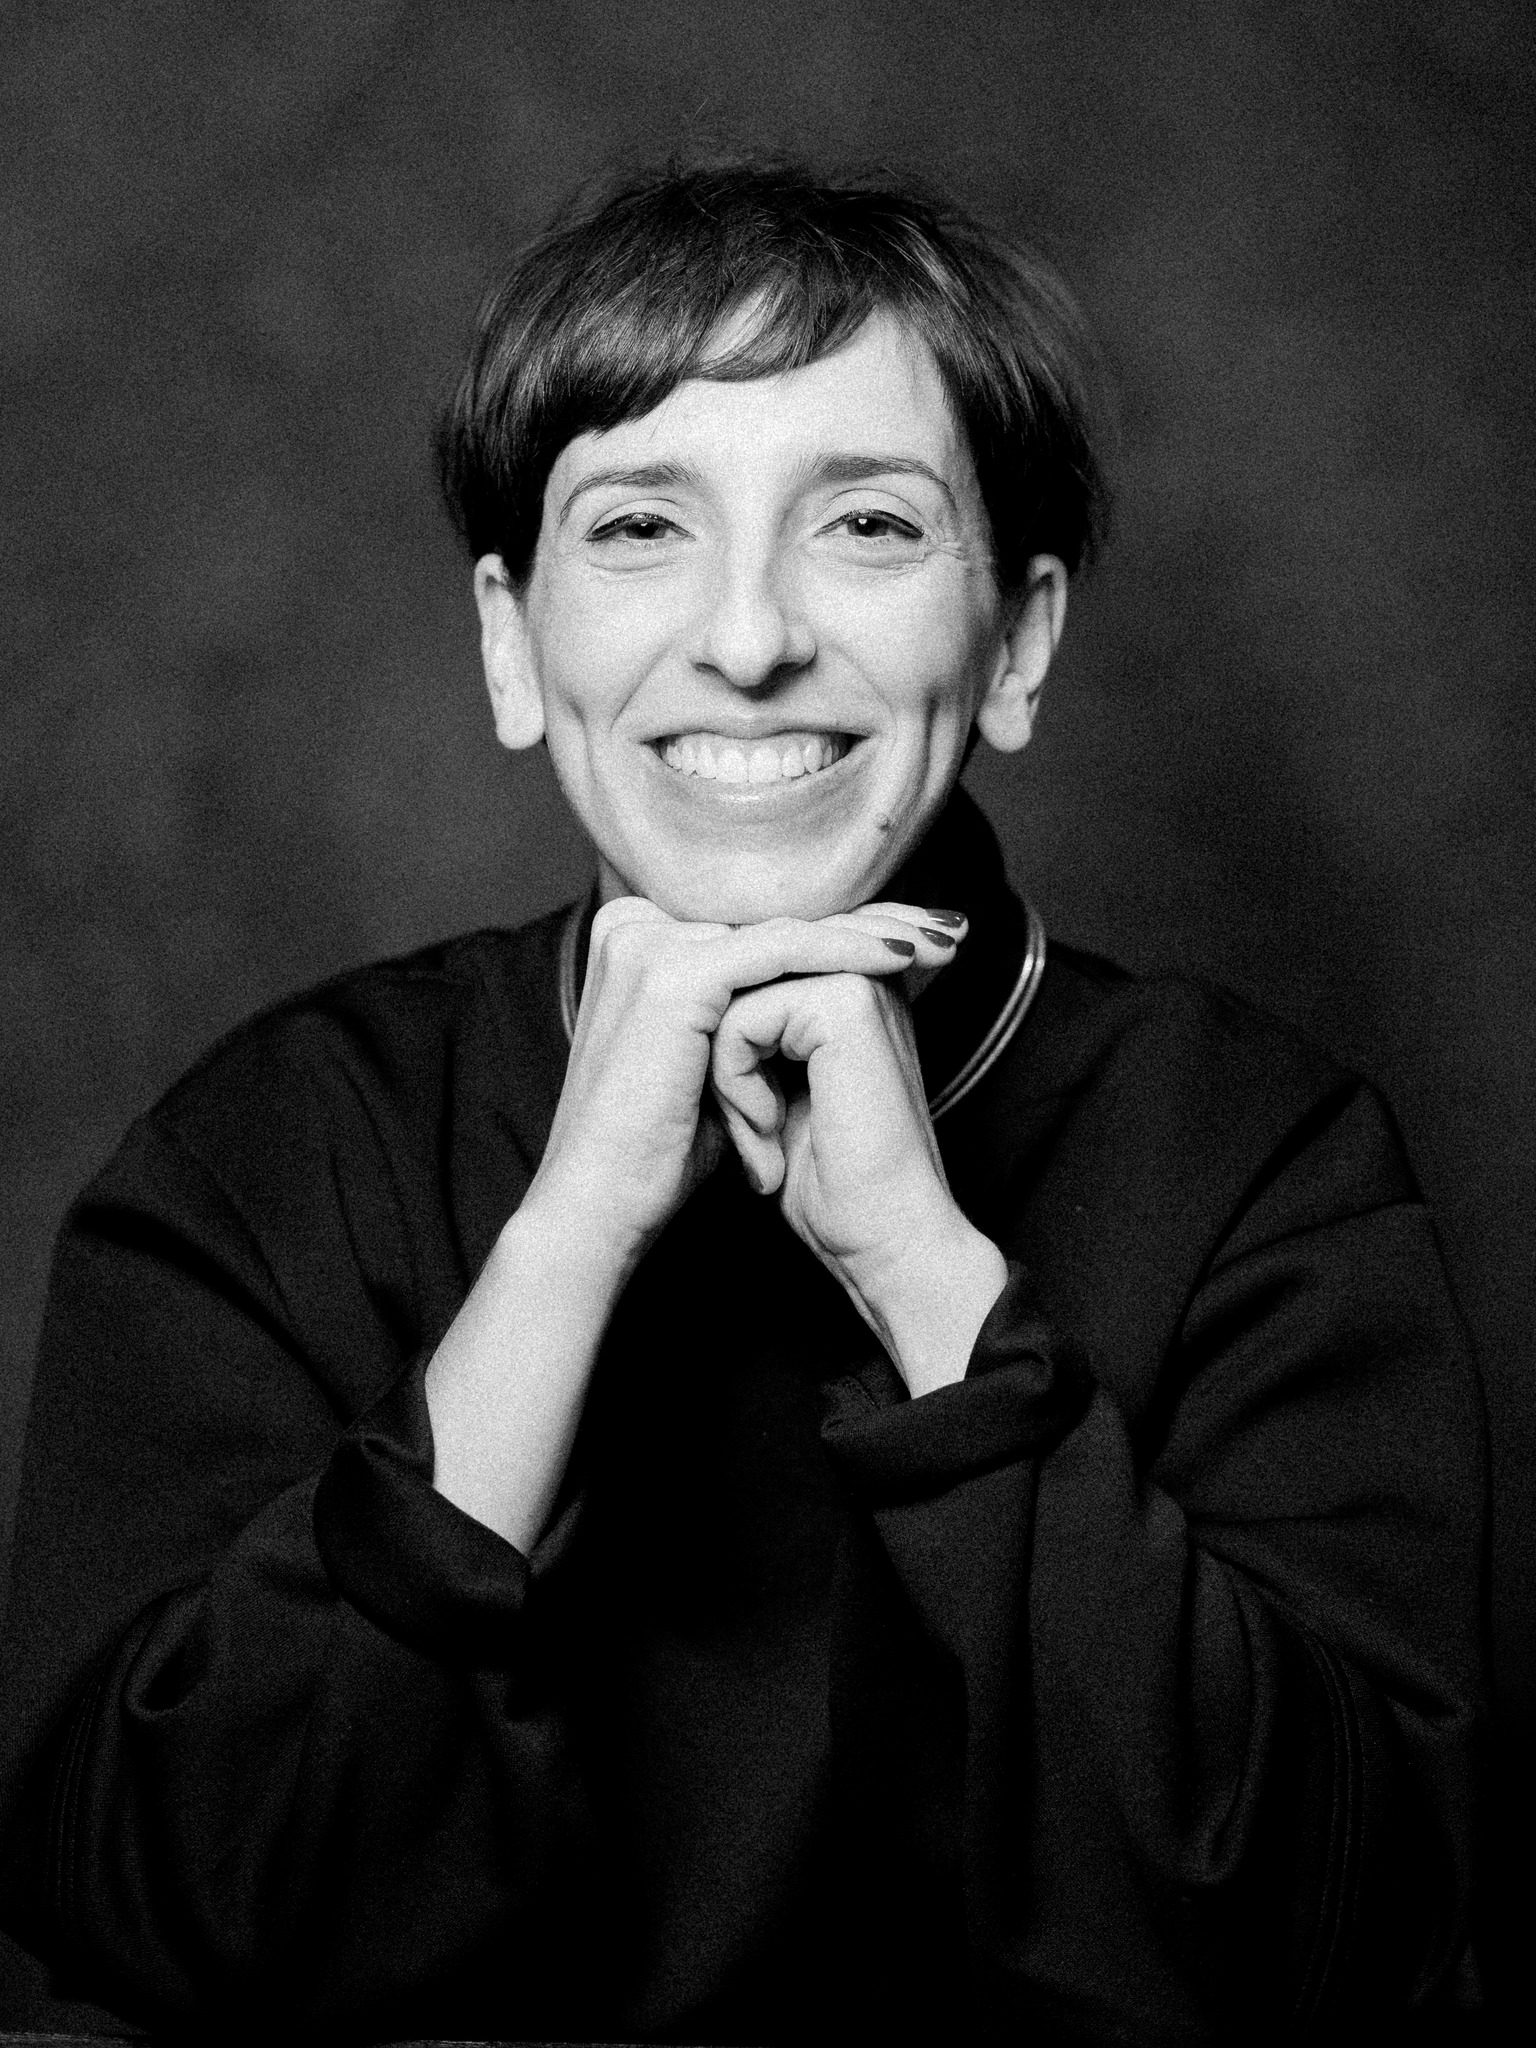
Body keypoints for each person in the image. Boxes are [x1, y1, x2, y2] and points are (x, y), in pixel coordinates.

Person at [0, 158, 1486, 2044]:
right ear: (511, 642)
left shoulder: (1266, 1161)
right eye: (640, 527)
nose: (751, 635)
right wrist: (565, 1248)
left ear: (1018, 643)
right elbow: (151, 1915)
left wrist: (930, 1278)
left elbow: (1348, 1947)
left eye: (866, 523)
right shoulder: (275, 1146)